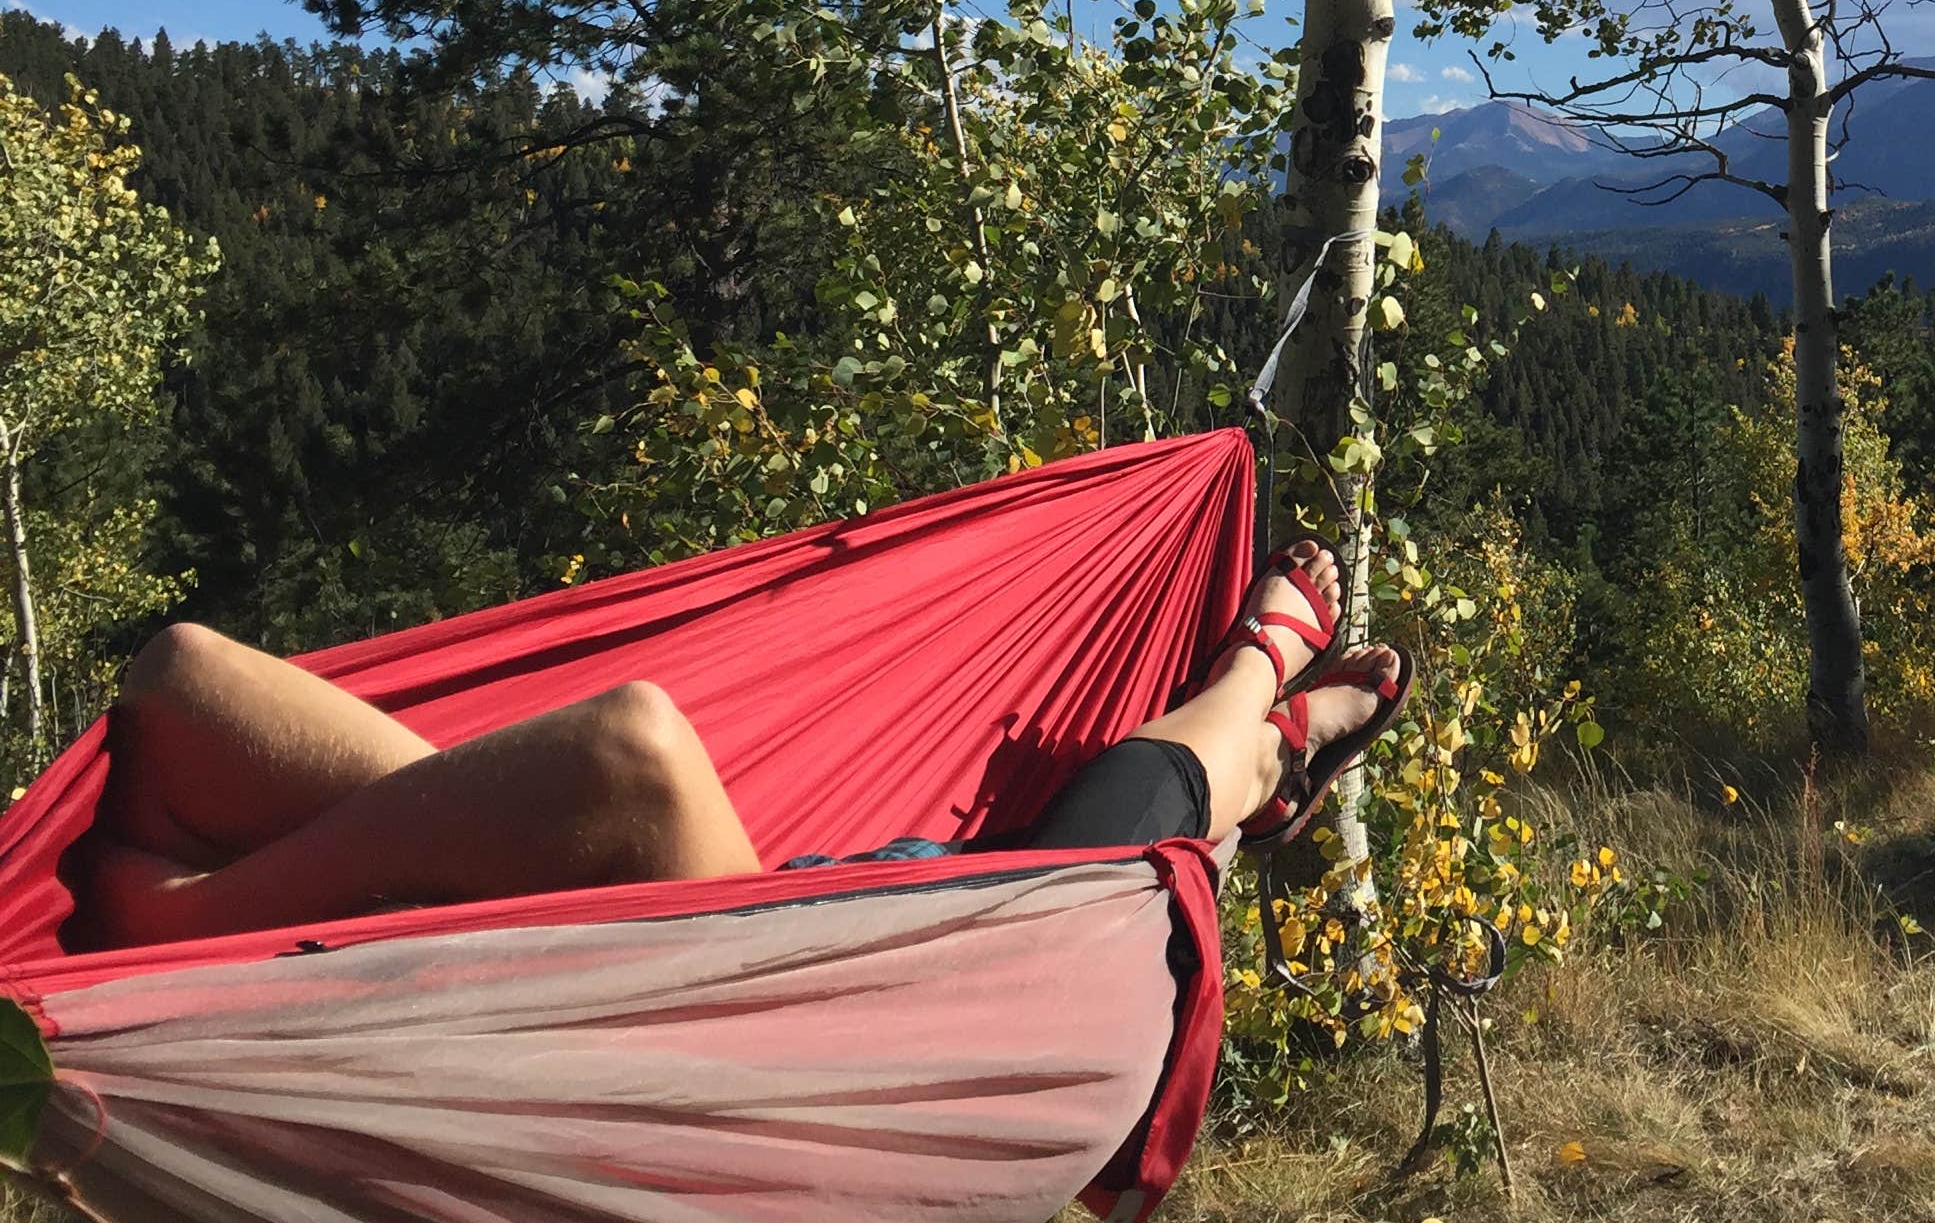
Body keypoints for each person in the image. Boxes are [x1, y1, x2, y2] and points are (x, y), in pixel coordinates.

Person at [77, 540, 1409, 951]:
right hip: (826, 937)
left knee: (637, 751)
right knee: (181, 676)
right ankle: (1265, 729)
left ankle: (1259, 704)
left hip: (819, 971)